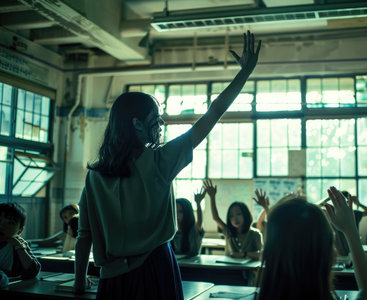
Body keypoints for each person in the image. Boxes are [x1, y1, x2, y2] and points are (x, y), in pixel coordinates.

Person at [74, 31, 261, 299]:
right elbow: (213, 113)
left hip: (112, 279)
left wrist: (79, 281)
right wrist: (244, 73)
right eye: (155, 119)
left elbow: (85, 236)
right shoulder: (160, 161)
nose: (160, 125)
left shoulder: (95, 176)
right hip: (155, 269)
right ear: (137, 124)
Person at [257, 187, 367, 300]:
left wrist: (273, 208)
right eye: (331, 244)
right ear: (330, 256)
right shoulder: (335, 214)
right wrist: (350, 230)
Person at [204, 179, 262, 260]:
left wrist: (244, 254)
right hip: (230, 269)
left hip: (248, 270)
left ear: (246, 215)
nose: (235, 218)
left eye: (239, 214)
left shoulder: (255, 234)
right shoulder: (228, 232)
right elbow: (215, 217)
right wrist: (212, 197)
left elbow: (262, 255)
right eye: (231, 216)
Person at [0, 202, 41, 287]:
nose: (2, 226)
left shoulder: (19, 245)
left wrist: (19, 247)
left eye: (10, 223)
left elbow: (32, 271)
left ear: (20, 230)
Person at [171, 191, 205, 256]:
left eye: (180, 212)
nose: (177, 215)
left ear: (187, 212)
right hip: (177, 264)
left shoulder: (193, 229)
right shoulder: (170, 231)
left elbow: (199, 221)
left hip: (193, 265)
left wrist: (198, 203)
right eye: (175, 211)